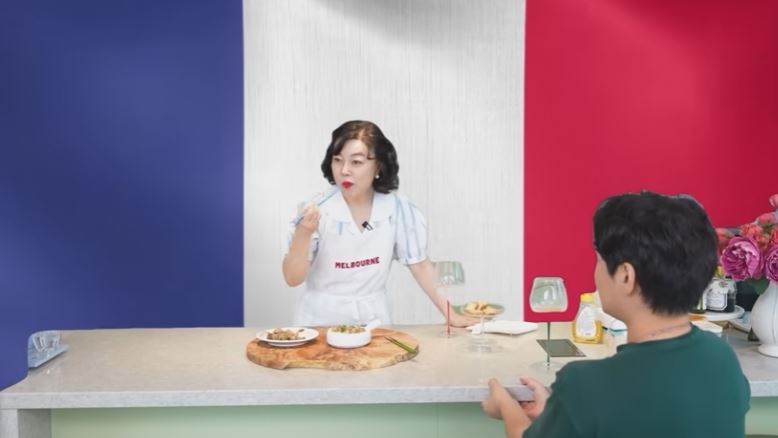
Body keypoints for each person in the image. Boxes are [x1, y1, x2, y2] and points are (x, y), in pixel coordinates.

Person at [482, 191, 750, 438]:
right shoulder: (722, 359)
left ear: (625, 276)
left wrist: (506, 407)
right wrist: (561, 413)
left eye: (599, 260)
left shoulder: (584, 385)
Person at [282, 120, 475, 327]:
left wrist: (451, 314)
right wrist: (303, 232)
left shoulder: (398, 209)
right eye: (337, 160)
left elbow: (420, 265)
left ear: (379, 166)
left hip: (374, 321)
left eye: (356, 162)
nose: (344, 170)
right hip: (320, 321)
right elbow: (292, 278)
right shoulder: (316, 210)